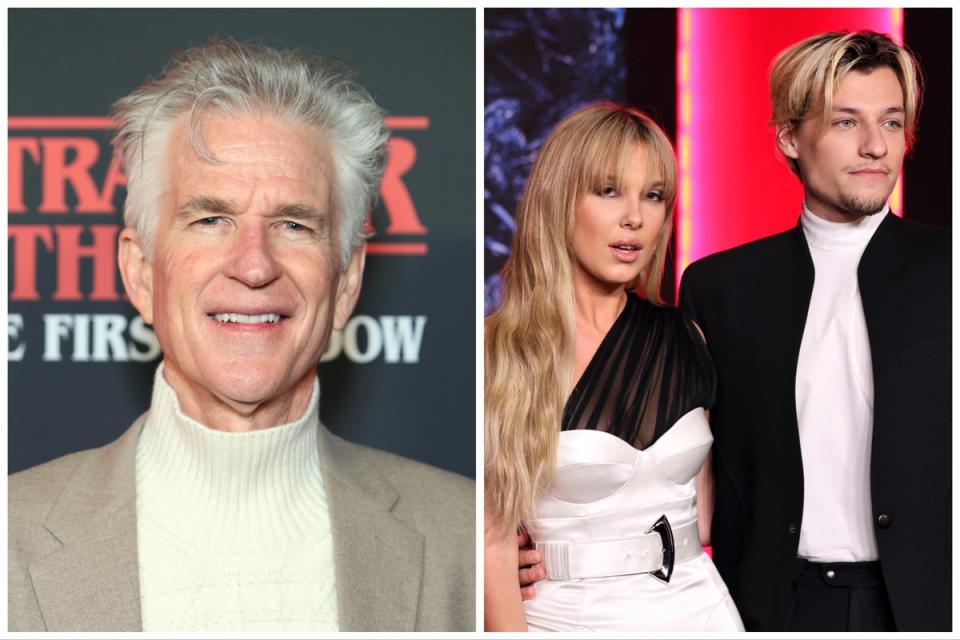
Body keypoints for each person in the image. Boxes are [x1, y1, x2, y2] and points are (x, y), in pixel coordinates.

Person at [8, 39, 474, 632]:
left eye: (294, 224)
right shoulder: (12, 538)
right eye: (210, 219)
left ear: (348, 280)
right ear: (141, 272)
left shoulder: (463, 538)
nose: (254, 266)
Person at [678, 31, 949, 631]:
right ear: (789, 138)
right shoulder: (719, 288)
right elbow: (682, 471)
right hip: (770, 605)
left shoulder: (948, 270)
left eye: (892, 122)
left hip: (925, 605)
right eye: (847, 122)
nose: (877, 146)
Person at [484, 102, 743, 632]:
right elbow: (489, 545)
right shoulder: (499, 351)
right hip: (568, 620)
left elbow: (713, 511)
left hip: (701, 612)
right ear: (560, 201)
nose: (635, 217)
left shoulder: (684, 336)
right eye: (609, 191)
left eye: (653, 196)